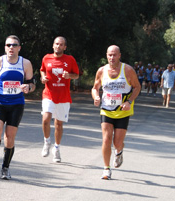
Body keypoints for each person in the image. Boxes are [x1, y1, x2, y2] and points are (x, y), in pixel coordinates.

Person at [0, 35, 35, 180]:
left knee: (9, 138)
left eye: (14, 45)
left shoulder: (26, 63)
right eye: (8, 45)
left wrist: (28, 87)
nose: (11, 47)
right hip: (0, 102)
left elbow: (32, 84)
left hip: (17, 104)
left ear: (19, 47)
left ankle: (5, 167)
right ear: (5, 47)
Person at [92, 45, 141, 180]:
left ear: (120, 55)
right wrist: (96, 96)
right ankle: (106, 169)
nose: (112, 58)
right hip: (106, 110)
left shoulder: (128, 70)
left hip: (123, 111)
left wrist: (129, 101)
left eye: (114, 55)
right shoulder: (101, 71)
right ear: (106, 55)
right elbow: (95, 88)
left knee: (117, 143)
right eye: (109, 55)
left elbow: (137, 87)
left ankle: (119, 151)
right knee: (106, 139)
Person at [39, 36, 80, 163]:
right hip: (49, 94)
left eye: (61, 44)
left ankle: (56, 148)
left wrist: (69, 76)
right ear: (53, 45)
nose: (58, 46)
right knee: (46, 119)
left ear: (65, 47)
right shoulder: (46, 58)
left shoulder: (70, 59)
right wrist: (43, 78)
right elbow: (42, 71)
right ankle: (47, 142)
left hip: (63, 96)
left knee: (58, 124)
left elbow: (76, 74)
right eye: (56, 44)